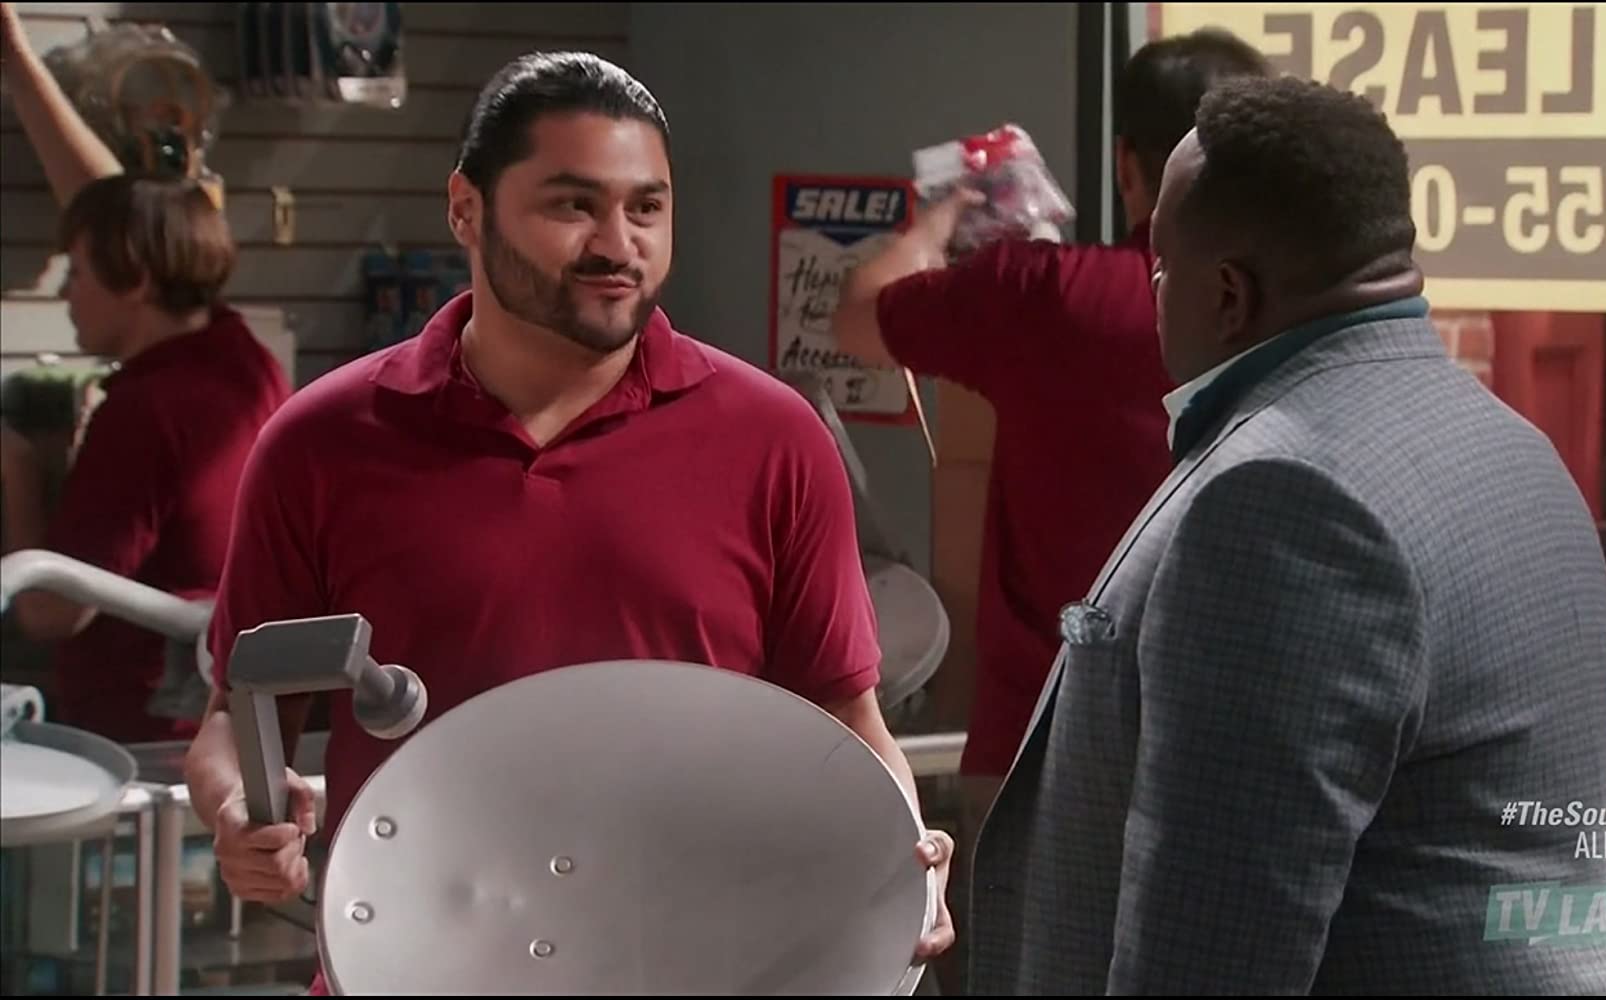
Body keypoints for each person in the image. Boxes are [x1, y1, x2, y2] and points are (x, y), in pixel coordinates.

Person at [181, 50, 954, 991]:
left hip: (697, 965)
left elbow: (845, 719)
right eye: (572, 205)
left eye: (646, 207)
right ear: (466, 208)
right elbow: (237, 718)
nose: (617, 244)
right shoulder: (322, 443)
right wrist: (240, 810)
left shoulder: (775, 442)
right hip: (409, 967)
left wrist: (904, 853)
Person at [967, 76, 1606, 994]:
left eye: (1163, 265)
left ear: (1229, 294)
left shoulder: (1280, 500)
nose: (1154, 290)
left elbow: (1216, 949)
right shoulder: (1516, 449)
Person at [829, 36, 1270, 987]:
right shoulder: (1289, 317)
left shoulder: (1049, 295)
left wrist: (949, 209)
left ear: (1126, 163)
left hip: (1045, 752)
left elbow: (861, 313)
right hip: (1246, 753)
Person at [0, 2, 291, 743]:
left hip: (139, 742)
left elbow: (48, 610)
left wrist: (18, 472)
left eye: (77, 271)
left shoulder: (149, 408)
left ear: (133, 278)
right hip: (222, 722)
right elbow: (130, 219)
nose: (66, 293)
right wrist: (19, 67)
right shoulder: (243, 361)